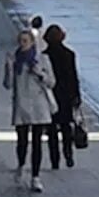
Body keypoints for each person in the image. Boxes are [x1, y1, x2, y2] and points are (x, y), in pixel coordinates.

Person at [4, 29, 56, 192]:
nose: (23, 44)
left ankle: (35, 176)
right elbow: (8, 84)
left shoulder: (42, 59)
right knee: (22, 141)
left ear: (33, 43)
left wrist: (39, 73)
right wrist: (9, 68)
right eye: (21, 41)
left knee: (37, 143)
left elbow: (51, 82)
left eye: (26, 41)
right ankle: (21, 164)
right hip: (21, 105)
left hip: (38, 105)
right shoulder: (14, 59)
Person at [42, 24, 82, 168]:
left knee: (51, 129)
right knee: (66, 126)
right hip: (66, 96)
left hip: (50, 96)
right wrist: (77, 96)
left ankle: (55, 159)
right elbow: (73, 76)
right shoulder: (69, 54)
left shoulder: (44, 56)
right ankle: (68, 153)